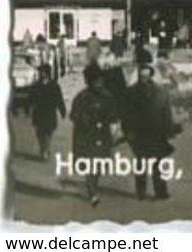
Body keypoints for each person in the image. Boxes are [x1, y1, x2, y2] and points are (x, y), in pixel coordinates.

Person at [121, 62, 178, 201]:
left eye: (147, 74)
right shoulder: (131, 92)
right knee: (141, 163)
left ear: (151, 75)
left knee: (157, 164)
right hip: (139, 133)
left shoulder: (161, 92)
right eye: (142, 74)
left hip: (156, 132)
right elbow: (125, 114)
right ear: (139, 75)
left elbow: (167, 113)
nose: (144, 76)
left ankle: (160, 192)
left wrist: (168, 131)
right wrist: (127, 131)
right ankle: (141, 192)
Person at [69, 63, 118, 207]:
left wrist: (113, 132)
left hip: (103, 137)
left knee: (98, 167)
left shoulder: (108, 96)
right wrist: (84, 119)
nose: (99, 83)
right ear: (90, 82)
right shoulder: (82, 97)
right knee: (89, 165)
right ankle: (92, 192)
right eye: (95, 81)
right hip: (86, 137)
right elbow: (74, 116)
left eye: (100, 80)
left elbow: (113, 117)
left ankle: (93, 187)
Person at [27, 65, 66, 160]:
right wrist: (27, 109)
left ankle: (46, 150)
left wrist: (62, 111)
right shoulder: (36, 85)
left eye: (43, 72)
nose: (41, 74)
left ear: (47, 73)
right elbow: (30, 99)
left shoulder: (54, 85)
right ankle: (43, 149)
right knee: (40, 133)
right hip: (39, 112)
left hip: (50, 112)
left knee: (48, 132)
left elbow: (59, 99)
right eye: (40, 72)